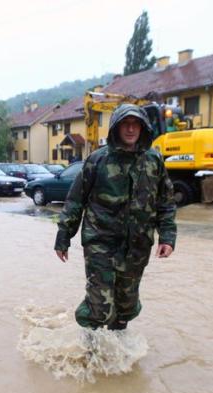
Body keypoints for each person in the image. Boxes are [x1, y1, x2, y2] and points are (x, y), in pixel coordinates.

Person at [54, 104, 177, 330]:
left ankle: (118, 347)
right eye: (125, 124)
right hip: (101, 243)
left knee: (126, 304)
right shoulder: (97, 160)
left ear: (143, 128)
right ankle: (91, 351)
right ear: (116, 128)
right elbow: (75, 200)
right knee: (100, 305)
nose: (131, 129)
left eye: (135, 124)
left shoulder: (154, 160)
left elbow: (165, 202)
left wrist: (167, 237)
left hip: (137, 246)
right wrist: (64, 236)